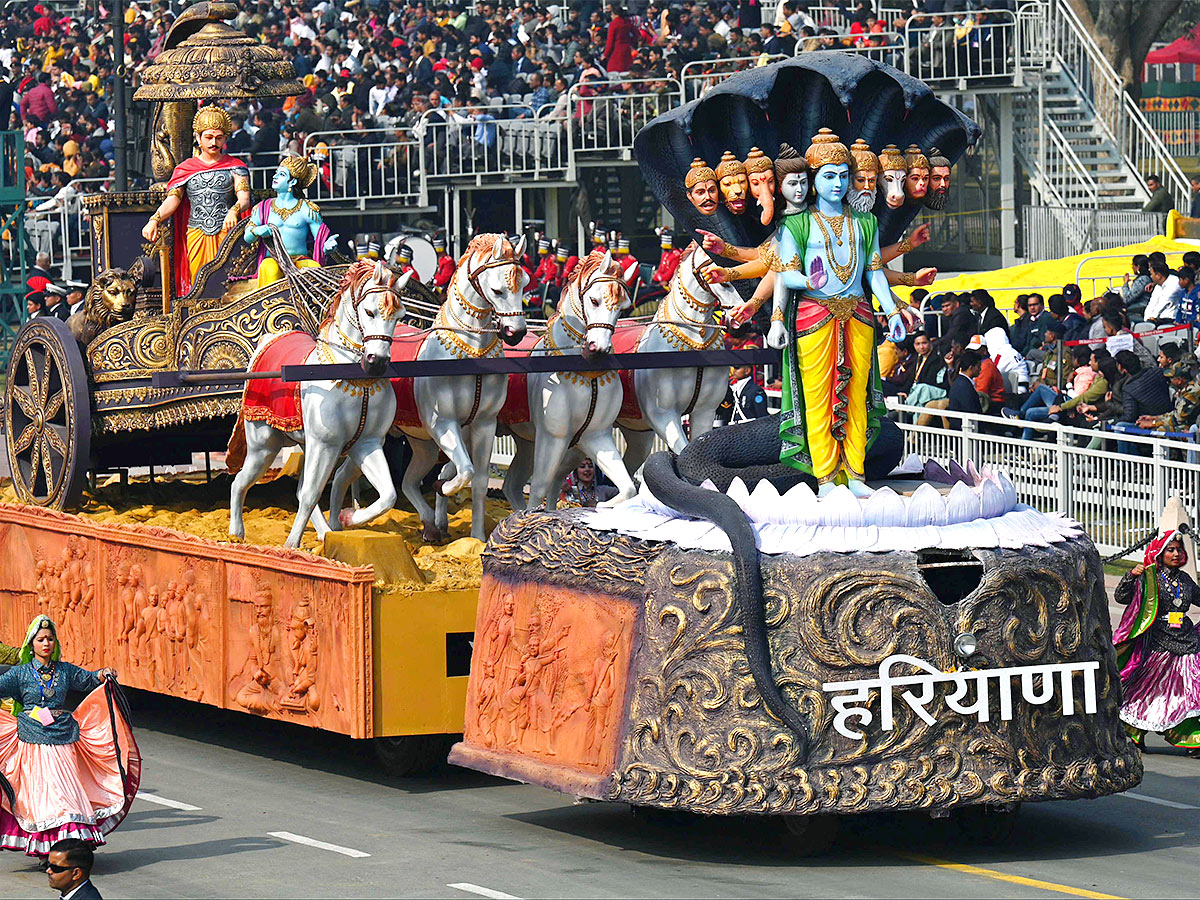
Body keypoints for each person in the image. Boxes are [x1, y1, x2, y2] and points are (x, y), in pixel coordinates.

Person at [0, 616, 138, 858]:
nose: (46, 644)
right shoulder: (20, 673)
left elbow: (88, 679)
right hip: (34, 741)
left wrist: (103, 674)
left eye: (50, 639)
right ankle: (49, 849)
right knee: (45, 793)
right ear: (31, 644)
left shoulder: (64, 670)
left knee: (66, 790)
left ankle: (69, 842)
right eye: (41, 639)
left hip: (63, 736)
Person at [141, 107, 251, 297]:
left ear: (225, 138)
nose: (213, 142)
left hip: (227, 232)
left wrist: (234, 210)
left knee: (227, 281)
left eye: (219, 137)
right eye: (208, 137)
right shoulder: (185, 169)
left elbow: (245, 198)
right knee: (199, 281)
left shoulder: (236, 167)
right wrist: (154, 219)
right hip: (197, 233)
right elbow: (173, 200)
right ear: (198, 138)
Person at [1113, 529, 1200, 754]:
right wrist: (1131, 576)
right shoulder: (1150, 577)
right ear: (1160, 553)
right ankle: (1132, 734)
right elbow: (1121, 597)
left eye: (1179, 550)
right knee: (1149, 691)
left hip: (1187, 641)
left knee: (1188, 691)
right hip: (1158, 643)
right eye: (1170, 550)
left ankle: (1190, 737)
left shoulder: (1185, 580)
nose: (1176, 554)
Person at [243, 155, 335, 289]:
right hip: (272, 259)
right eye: (276, 173)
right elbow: (247, 237)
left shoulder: (307, 208)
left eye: (281, 174)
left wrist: (327, 246)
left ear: (292, 182)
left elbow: (320, 239)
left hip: (299, 259)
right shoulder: (262, 208)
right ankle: (271, 307)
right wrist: (255, 231)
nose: (274, 177)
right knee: (271, 270)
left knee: (314, 270)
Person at [1112, 349, 1171, 455]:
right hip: (1168, 415)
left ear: (1121, 368)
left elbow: (1130, 415)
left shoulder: (1128, 388)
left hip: (1151, 423)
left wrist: (1114, 418)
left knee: (1120, 426)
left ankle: (1125, 463)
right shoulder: (1157, 372)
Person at [1145, 260, 1183, 325]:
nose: (1151, 277)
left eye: (1151, 274)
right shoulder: (1158, 285)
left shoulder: (1174, 283)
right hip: (1158, 319)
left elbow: (1164, 302)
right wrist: (1147, 319)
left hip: (1170, 319)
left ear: (1158, 275)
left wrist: (1152, 318)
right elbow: (1152, 303)